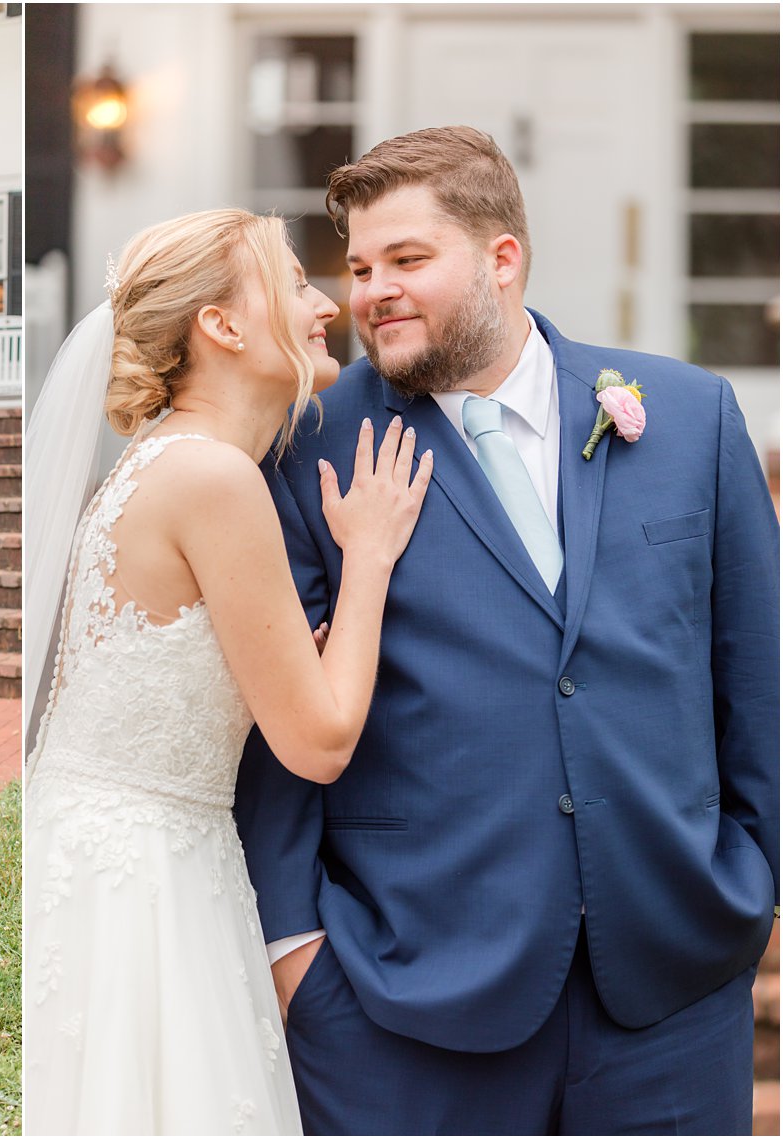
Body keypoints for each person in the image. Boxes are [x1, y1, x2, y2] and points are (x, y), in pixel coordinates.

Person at [236, 126, 779, 1135]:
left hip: (670, 992)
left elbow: (754, 680)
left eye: (405, 259)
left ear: (500, 259)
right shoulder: (304, 445)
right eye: (357, 266)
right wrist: (294, 959)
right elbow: (268, 732)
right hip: (404, 1008)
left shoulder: (692, 416)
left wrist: (752, 887)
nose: (370, 291)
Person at [22, 208, 433, 1134]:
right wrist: (366, 560)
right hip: (149, 878)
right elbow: (320, 739)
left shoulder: (157, 463)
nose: (325, 303)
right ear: (221, 324)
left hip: (113, 846)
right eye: (293, 282)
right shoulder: (214, 477)